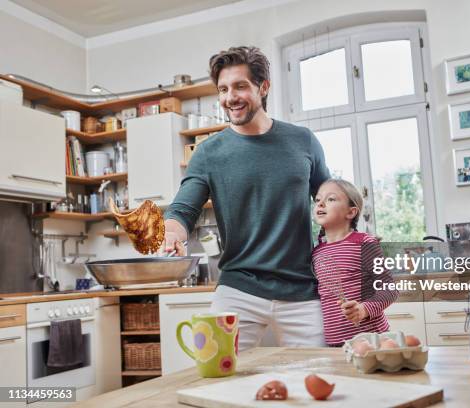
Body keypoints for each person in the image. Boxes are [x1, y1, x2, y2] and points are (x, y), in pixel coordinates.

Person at [163, 46, 331, 350]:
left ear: (263, 87)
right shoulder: (208, 153)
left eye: (240, 86)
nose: (230, 97)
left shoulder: (303, 142)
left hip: (302, 289)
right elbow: (183, 209)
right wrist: (173, 231)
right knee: (218, 374)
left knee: (317, 379)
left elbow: (330, 203)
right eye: (223, 89)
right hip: (238, 288)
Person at [312, 179, 398, 346]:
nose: (321, 203)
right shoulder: (317, 252)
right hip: (335, 343)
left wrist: (364, 309)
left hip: (372, 340)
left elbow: (390, 289)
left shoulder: (364, 243)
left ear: (351, 212)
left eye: (330, 199)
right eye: (317, 200)